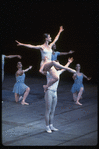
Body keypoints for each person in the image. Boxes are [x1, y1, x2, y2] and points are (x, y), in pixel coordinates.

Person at [15, 26, 74, 91]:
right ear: (46, 39)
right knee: (54, 62)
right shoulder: (42, 47)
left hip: (49, 63)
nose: (50, 38)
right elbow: (31, 46)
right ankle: (67, 68)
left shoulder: (50, 46)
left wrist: (60, 31)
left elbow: (56, 39)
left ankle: (46, 86)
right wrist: (22, 44)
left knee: (56, 77)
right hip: (44, 64)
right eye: (49, 37)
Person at [44, 57, 75, 133]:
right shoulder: (49, 72)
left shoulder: (58, 72)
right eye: (57, 64)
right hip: (49, 92)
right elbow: (46, 68)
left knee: (53, 110)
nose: (58, 65)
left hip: (55, 92)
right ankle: (47, 127)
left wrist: (69, 62)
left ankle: (51, 125)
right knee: (48, 110)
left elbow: (64, 68)